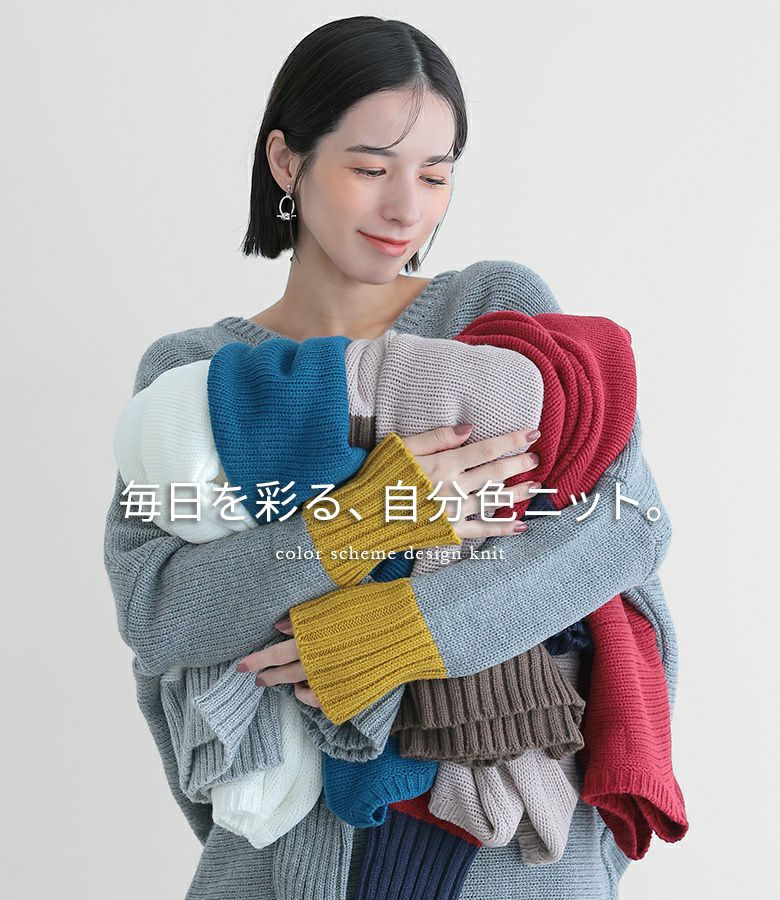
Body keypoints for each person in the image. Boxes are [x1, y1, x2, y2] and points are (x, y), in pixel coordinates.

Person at [103, 16, 676, 900]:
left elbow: (621, 530)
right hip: (274, 867)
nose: (408, 209)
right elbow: (159, 612)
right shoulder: (196, 376)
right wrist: (361, 521)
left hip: (510, 860)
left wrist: (394, 633)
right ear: (287, 162)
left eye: (435, 175)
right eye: (371, 169)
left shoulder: (494, 315)